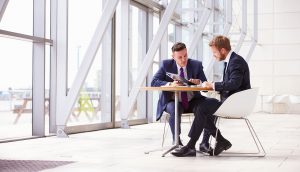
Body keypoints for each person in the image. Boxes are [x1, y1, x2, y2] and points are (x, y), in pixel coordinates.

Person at [172, 35, 251, 157]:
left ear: (223, 50)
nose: (214, 55)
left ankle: (192, 146)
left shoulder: (236, 62)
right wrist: (211, 86)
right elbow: (231, 84)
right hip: (233, 102)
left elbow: (234, 84)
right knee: (202, 107)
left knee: (202, 108)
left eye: (214, 52)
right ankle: (219, 141)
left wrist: (213, 85)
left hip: (236, 104)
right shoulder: (232, 60)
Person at [151, 42, 206, 146]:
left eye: (185, 55)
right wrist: (170, 83)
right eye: (180, 57)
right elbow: (154, 81)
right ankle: (176, 140)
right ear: (173, 57)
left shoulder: (196, 65)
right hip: (172, 101)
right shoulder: (166, 65)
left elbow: (206, 85)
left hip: (192, 101)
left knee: (207, 107)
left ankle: (203, 143)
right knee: (175, 108)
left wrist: (198, 82)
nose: (183, 59)